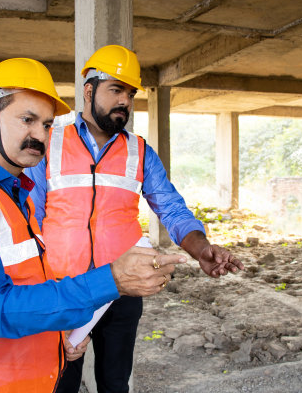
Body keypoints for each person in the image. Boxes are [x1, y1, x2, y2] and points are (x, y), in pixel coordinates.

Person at [0, 57, 185, 393]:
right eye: (27, 119)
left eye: (47, 124)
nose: (39, 135)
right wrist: (112, 279)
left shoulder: (14, 196)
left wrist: (59, 334)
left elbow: (27, 287)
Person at [25, 45, 245, 393]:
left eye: (130, 93)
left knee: (115, 384)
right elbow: (30, 218)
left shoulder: (139, 151)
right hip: (63, 288)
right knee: (58, 383)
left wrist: (201, 249)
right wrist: (35, 287)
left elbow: (171, 208)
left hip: (122, 290)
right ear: (88, 90)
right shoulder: (50, 143)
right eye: (116, 89)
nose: (125, 101)